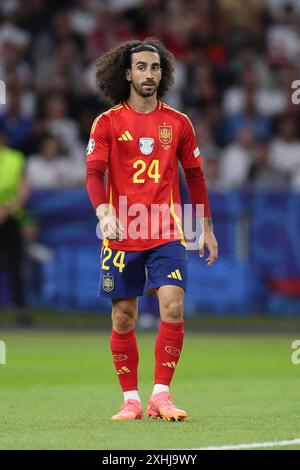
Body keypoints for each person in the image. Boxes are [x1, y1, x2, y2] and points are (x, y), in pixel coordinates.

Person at [86, 38, 218, 421]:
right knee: (123, 316)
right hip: (122, 231)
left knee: (173, 306)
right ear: (127, 73)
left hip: (166, 230)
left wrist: (206, 228)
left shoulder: (177, 123)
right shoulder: (108, 122)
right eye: (141, 67)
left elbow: (195, 176)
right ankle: (131, 399)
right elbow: (94, 173)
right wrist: (103, 210)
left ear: (164, 73)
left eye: (155, 67)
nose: (149, 74)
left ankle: (162, 395)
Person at [0, 131, 30, 323]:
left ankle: (20, 309)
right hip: (6, 214)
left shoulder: (15, 159)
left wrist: (7, 209)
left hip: (10, 218)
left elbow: (24, 188)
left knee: (15, 265)